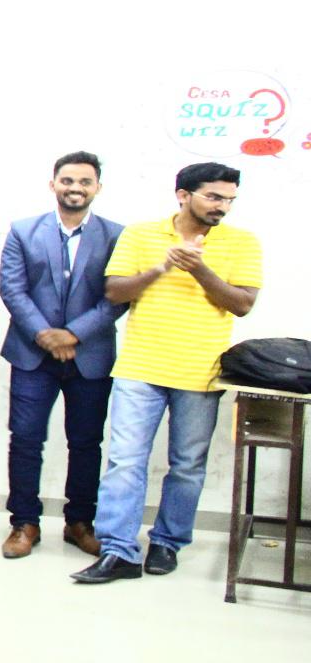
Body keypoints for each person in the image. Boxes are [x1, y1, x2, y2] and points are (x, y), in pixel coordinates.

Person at [73, 162, 262, 583]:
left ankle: (167, 543)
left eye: (229, 199)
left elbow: (242, 304)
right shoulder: (140, 234)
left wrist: (199, 268)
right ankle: (119, 551)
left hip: (201, 371)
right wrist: (161, 267)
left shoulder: (243, 242)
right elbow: (114, 292)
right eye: (213, 197)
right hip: (140, 366)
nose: (222, 206)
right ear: (183, 195)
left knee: (187, 465)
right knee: (124, 461)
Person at [0, 152, 125, 559]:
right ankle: (24, 523)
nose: (75, 188)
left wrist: (73, 334)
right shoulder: (23, 231)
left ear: (98, 187)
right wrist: (45, 335)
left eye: (85, 182)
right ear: (53, 184)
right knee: (25, 440)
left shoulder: (118, 235)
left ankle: (80, 522)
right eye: (67, 180)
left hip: (90, 356)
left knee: (86, 442)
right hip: (32, 354)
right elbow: (12, 289)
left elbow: (117, 297)